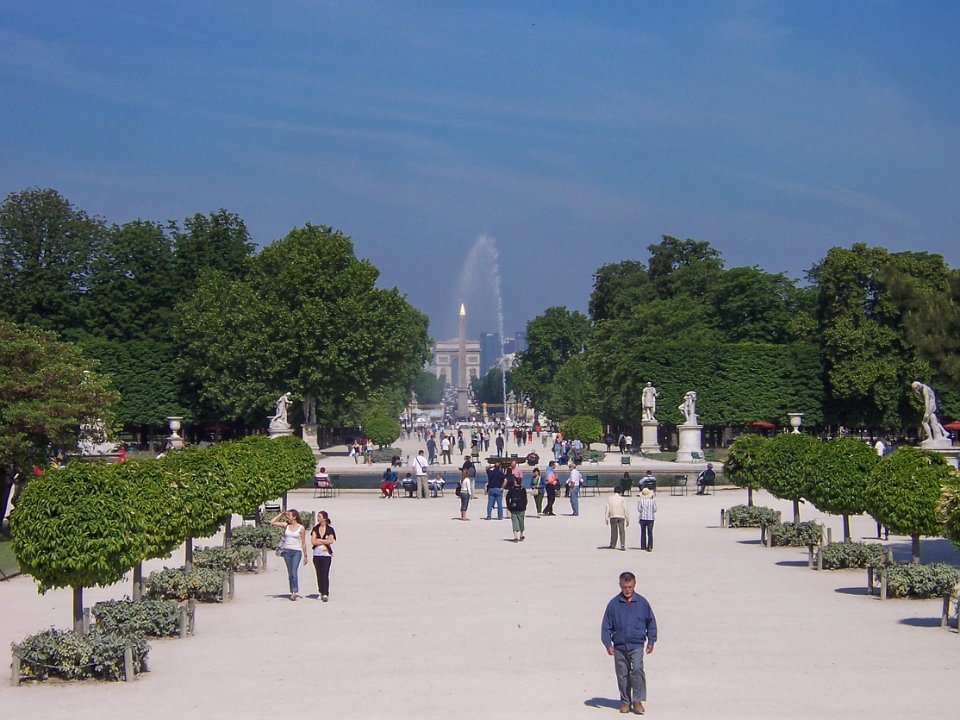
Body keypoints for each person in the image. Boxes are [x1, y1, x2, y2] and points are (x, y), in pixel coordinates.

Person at [601, 571, 657, 715]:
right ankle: (625, 701)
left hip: (636, 645)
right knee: (622, 674)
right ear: (620, 585)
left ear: (634, 585)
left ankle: (637, 701)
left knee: (637, 670)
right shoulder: (613, 604)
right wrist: (608, 644)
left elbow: (651, 622)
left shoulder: (642, 603)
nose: (627, 590)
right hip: (619, 646)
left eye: (630, 587)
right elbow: (606, 626)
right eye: (624, 587)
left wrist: (651, 641)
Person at [270, 509, 309, 600]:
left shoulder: (301, 528)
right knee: (290, 573)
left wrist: (305, 556)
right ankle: (292, 590)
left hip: (296, 551)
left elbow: (303, 543)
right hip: (287, 551)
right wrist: (281, 515)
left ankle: (294, 592)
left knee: (294, 572)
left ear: (294, 517)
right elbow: (272, 522)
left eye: (289, 516)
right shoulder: (286, 525)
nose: (287, 517)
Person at [310, 510, 336, 602]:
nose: (318, 518)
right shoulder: (315, 529)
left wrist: (320, 540)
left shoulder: (330, 529)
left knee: (325, 574)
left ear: (324, 518)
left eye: (319, 516)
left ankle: (325, 593)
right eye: (317, 516)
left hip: (326, 555)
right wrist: (324, 541)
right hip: (317, 555)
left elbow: (330, 541)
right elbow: (313, 541)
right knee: (319, 574)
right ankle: (320, 591)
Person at [605, 486, 630, 551]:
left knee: (614, 531)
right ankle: (622, 545)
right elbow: (625, 509)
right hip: (621, 516)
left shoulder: (610, 498)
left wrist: (606, 517)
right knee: (622, 531)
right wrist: (627, 519)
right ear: (620, 491)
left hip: (613, 515)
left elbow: (607, 508)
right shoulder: (622, 499)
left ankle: (613, 544)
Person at [505, 474, 527, 542]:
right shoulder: (523, 489)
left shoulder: (511, 489)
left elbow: (507, 498)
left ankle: (516, 537)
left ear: (515, 482)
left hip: (513, 507)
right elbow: (525, 499)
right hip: (521, 508)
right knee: (521, 522)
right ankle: (521, 535)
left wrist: (508, 506)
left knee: (514, 522)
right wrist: (524, 506)